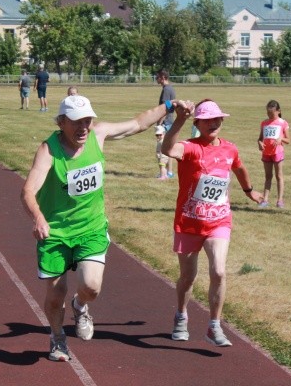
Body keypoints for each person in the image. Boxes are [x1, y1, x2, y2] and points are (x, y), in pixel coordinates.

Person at [20, 94, 192, 362]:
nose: (83, 127)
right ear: (62, 122)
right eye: (77, 122)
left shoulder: (98, 135)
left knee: (91, 287)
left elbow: (138, 123)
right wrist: (38, 217)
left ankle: (80, 306)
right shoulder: (48, 150)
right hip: (56, 232)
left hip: (91, 228)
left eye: (87, 120)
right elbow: (28, 190)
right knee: (55, 295)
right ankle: (58, 339)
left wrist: (169, 106)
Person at [161, 99, 263, 347]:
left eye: (217, 119)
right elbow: (167, 149)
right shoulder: (191, 148)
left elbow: (239, 168)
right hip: (189, 222)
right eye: (207, 120)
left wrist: (249, 191)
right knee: (188, 277)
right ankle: (181, 316)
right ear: (197, 123)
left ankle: (214, 326)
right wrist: (179, 120)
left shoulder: (230, 149)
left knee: (218, 271)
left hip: (219, 221)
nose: (213, 124)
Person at [257, 100, 290, 208]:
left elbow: (288, 140)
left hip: (277, 153)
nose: (270, 116)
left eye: (272, 113)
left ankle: (280, 200)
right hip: (266, 153)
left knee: (279, 176)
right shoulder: (264, 123)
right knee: (268, 176)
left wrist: (281, 139)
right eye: (268, 113)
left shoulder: (282, 123)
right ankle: (265, 200)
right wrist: (260, 143)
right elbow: (260, 138)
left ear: (278, 111)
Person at [156, 69, 176, 177]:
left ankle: (163, 173)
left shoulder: (166, 90)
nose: (156, 79)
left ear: (163, 77)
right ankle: (170, 172)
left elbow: (166, 108)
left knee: (161, 148)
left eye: (157, 77)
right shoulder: (170, 88)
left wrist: (159, 122)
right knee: (169, 148)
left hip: (165, 122)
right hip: (169, 121)